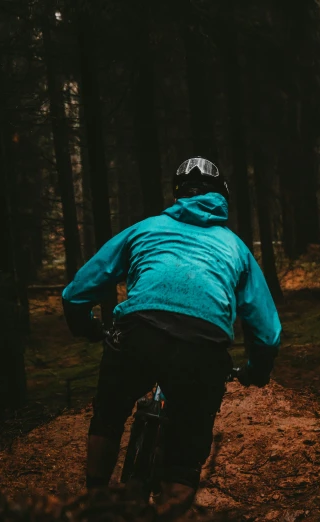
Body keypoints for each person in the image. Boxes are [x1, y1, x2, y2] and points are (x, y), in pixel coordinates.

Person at [61, 157, 282, 508]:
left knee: (108, 414)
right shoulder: (235, 247)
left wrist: (86, 327)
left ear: (178, 195)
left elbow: (77, 292)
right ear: (222, 195)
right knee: (182, 459)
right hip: (203, 346)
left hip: (138, 333)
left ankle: (94, 499)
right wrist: (256, 370)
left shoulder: (144, 229)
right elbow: (267, 331)